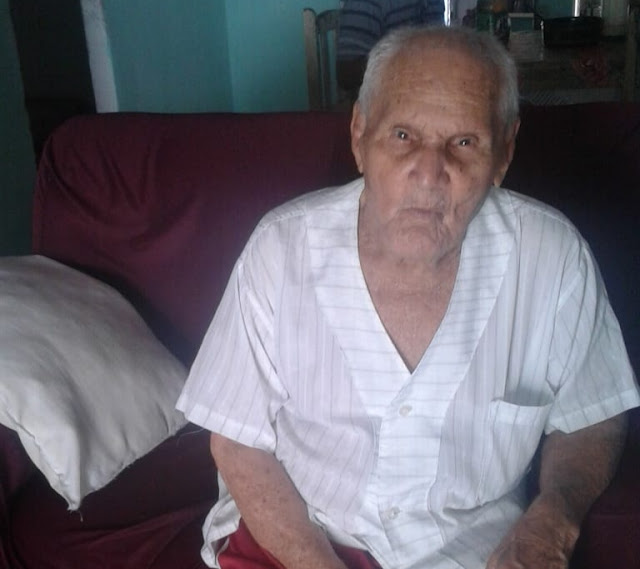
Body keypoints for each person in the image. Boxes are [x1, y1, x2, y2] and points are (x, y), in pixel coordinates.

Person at [177, 26, 640, 569]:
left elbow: (593, 413)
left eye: (464, 143)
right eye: (403, 136)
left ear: (504, 153)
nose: (430, 174)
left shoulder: (554, 257)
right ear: (359, 135)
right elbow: (236, 442)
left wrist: (554, 515)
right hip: (297, 538)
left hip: (470, 550)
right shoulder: (280, 249)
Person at [336, 0, 445, 93]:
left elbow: (439, 49)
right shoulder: (365, 3)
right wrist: (400, 63)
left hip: (432, 92)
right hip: (385, 100)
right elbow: (345, 73)